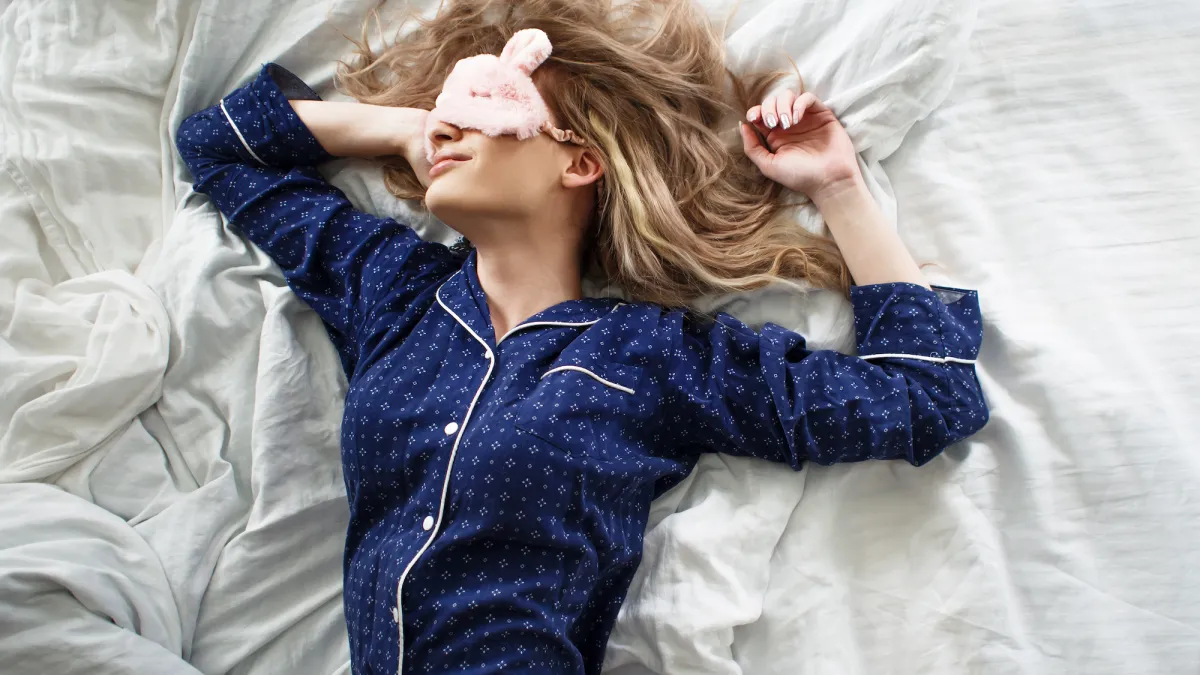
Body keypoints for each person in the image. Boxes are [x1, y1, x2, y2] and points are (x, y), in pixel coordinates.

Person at [174, 1, 988, 672]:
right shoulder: (394, 294)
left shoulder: (651, 355)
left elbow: (926, 396)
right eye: (453, 108)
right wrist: (406, 128)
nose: (453, 127)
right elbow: (215, 146)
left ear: (579, 164)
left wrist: (837, 185)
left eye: (489, 108)